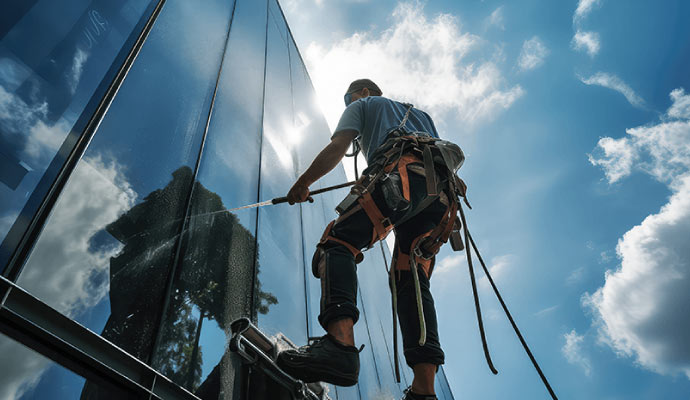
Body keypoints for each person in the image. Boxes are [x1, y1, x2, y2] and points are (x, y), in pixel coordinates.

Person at [278, 79, 464, 400]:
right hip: (439, 200)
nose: (348, 103)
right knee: (411, 279)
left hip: (401, 177)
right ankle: (424, 389)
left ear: (362, 93)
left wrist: (304, 182)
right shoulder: (420, 115)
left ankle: (339, 344)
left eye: (348, 97)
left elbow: (338, 147)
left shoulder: (362, 106)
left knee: (338, 242)